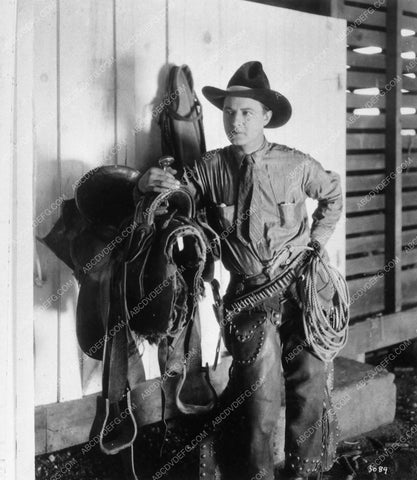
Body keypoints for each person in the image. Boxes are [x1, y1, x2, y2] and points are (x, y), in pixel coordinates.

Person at [136, 61, 343, 480]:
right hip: (249, 295)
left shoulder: (296, 165)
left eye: (246, 112)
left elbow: (334, 195)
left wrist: (316, 242)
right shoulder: (212, 167)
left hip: (301, 286)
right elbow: (178, 197)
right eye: (229, 112)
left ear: (266, 117)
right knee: (259, 388)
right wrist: (144, 184)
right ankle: (255, 474)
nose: (236, 121)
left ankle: (306, 474)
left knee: (309, 373)